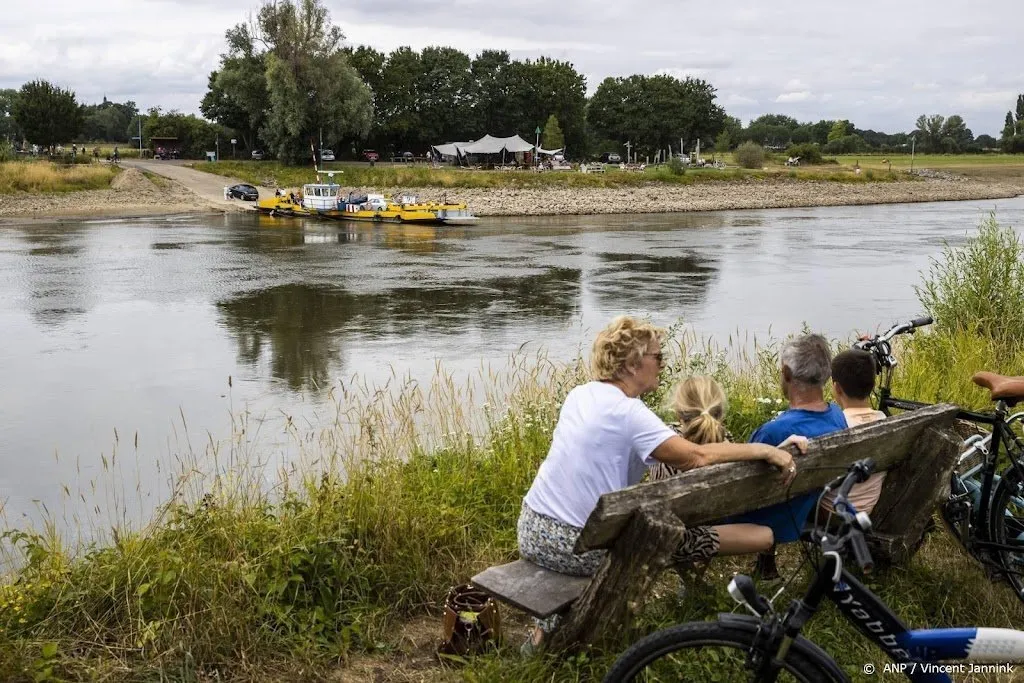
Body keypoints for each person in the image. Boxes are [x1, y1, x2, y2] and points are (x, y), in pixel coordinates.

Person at [517, 316, 802, 647]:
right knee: (640, 543)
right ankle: (565, 640)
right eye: (658, 356)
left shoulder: (581, 395)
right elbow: (697, 456)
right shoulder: (629, 413)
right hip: (576, 544)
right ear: (633, 362)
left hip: (531, 528)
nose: (664, 363)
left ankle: (539, 640)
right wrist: (763, 450)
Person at [728, 334, 848, 579]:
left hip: (771, 516)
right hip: (805, 503)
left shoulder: (774, 432)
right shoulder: (837, 416)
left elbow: (741, 484)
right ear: (826, 374)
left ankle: (765, 560)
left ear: (786, 372)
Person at [821, 349, 887, 515]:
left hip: (831, 512)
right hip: (868, 508)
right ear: (872, 385)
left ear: (837, 388)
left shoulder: (834, 426)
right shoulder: (884, 420)